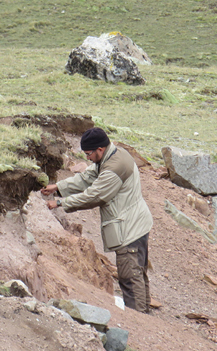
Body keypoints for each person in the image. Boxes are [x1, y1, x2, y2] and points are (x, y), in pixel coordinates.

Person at [41, 127, 153, 313]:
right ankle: (146, 318)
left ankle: (138, 320)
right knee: (137, 274)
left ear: (99, 149)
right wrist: (58, 187)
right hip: (136, 224)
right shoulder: (112, 155)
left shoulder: (114, 168)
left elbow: (96, 195)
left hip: (129, 228)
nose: (87, 158)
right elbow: (86, 178)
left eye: (88, 154)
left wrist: (60, 203)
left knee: (130, 278)